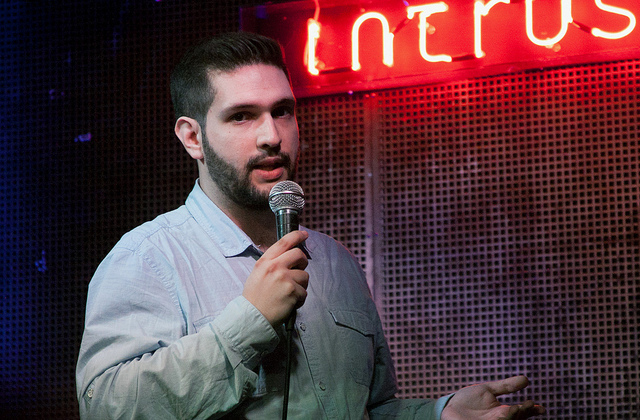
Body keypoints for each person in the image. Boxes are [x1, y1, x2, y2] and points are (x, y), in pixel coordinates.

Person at [76, 31, 545, 419]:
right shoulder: (148, 259)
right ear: (193, 137)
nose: (272, 136)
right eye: (242, 116)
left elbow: (369, 409)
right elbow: (104, 407)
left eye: (282, 111)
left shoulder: (336, 263)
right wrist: (251, 321)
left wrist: (439, 414)